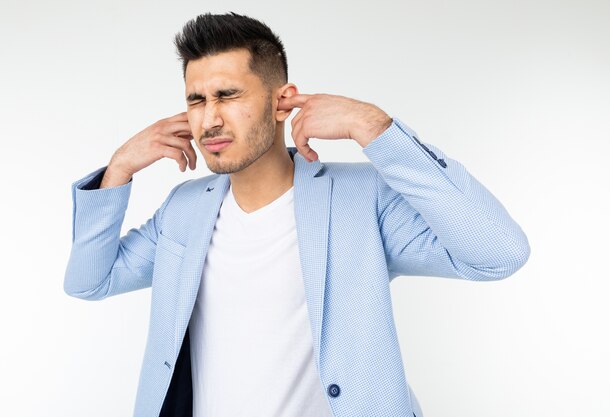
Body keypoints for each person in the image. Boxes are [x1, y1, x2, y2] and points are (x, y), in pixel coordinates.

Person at [64, 12, 530, 417]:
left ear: (281, 99)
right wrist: (119, 168)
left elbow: (497, 254)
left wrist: (376, 130)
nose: (209, 120)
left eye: (227, 95)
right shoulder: (184, 209)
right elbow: (90, 281)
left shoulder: (359, 199)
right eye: (196, 100)